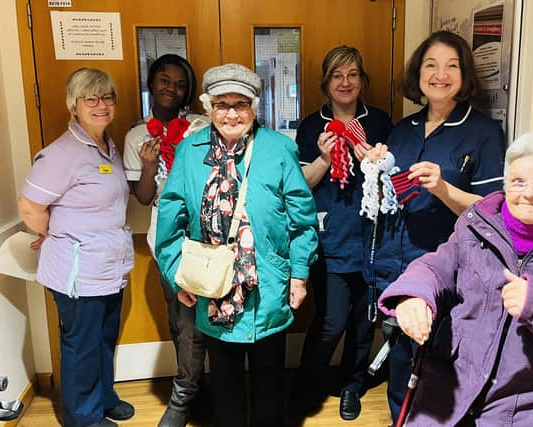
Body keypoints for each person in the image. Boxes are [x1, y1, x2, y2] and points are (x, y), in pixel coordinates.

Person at [378, 126, 533, 426]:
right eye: (518, 181)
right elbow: (437, 265)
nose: (529, 193)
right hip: (454, 389)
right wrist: (413, 295)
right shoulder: (480, 222)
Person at [155, 63, 318, 427]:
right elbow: (169, 223)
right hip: (212, 288)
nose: (231, 113)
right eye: (222, 104)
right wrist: (177, 275)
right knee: (225, 391)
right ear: (208, 107)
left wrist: (299, 275)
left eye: (240, 104)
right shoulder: (189, 151)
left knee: (269, 389)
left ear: (254, 107)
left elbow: (302, 220)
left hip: (268, 289)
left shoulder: (278, 149)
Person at [366, 30, 506, 424]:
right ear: (418, 74)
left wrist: (444, 188)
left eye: (451, 66)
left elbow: (493, 210)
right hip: (398, 264)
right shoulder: (403, 128)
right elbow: (389, 195)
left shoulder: (483, 133)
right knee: (399, 360)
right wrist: (377, 164)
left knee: (438, 370)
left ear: (464, 75)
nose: (440, 74)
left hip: (452, 271)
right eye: (431, 65)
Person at [18, 68, 134, 427]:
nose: (102, 105)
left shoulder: (108, 147)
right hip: (77, 272)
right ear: (74, 105)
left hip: (109, 268)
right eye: (91, 98)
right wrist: (55, 233)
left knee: (103, 339)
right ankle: (82, 417)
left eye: (108, 97)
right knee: (81, 344)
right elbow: (29, 208)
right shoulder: (61, 154)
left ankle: (103, 398)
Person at [294, 45, 393, 421]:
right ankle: (307, 385)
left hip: (372, 237)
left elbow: (393, 179)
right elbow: (301, 184)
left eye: (352, 74)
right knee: (331, 319)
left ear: (362, 80)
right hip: (331, 234)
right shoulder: (311, 126)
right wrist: (323, 157)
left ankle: (352, 385)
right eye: (337, 75)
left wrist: (375, 159)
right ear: (325, 82)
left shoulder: (380, 122)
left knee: (364, 319)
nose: (345, 82)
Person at [123, 54, 209, 427]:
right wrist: (147, 165)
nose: (171, 89)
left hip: (209, 233)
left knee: (209, 317)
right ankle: (191, 389)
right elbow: (143, 197)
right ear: (151, 84)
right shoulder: (136, 134)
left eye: (180, 83)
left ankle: (187, 393)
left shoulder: (202, 125)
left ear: (189, 90)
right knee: (180, 320)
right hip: (168, 238)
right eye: (164, 80)